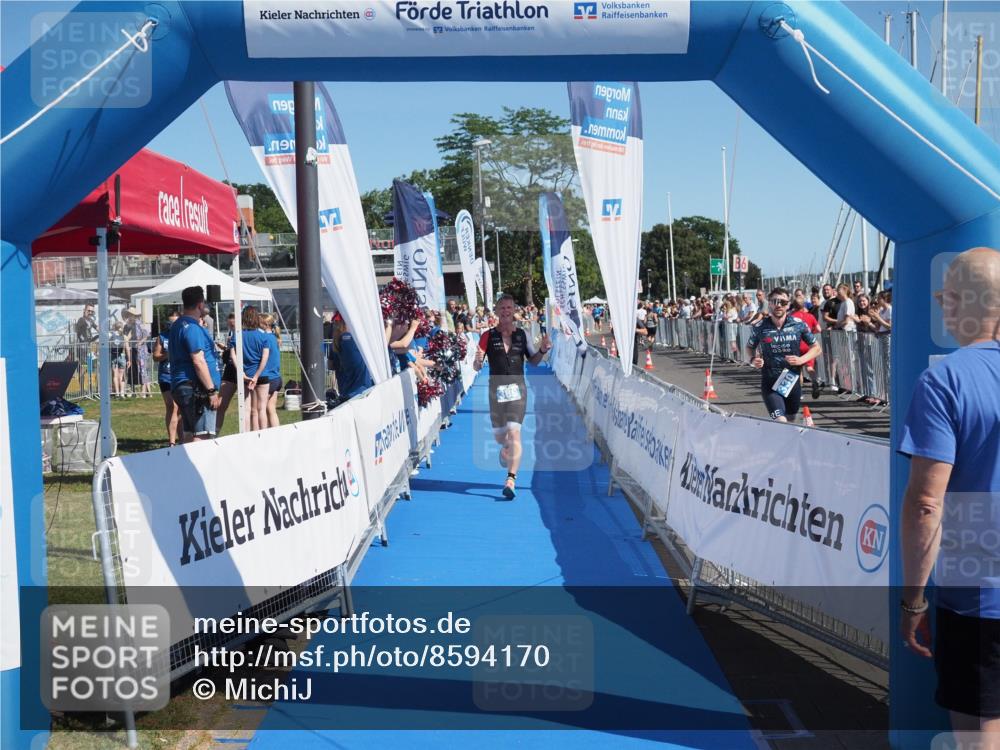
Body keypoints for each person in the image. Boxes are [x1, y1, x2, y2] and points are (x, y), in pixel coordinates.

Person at [898, 247, 1000, 748]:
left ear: (962, 302)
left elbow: (925, 504)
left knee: (982, 733)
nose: (943, 310)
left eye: (946, 300)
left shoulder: (946, 379)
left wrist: (913, 598)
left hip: (980, 594)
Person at [473, 294, 551, 500]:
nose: (506, 311)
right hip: (495, 392)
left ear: (514, 310)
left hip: (518, 391)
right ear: (497, 312)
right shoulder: (487, 335)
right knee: (501, 437)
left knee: (515, 433)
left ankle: (511, 479)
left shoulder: (522, 335)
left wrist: (542, 350)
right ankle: (505, 448)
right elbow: (476, 365)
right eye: (502, 308)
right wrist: (478, 361)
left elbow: (533, 361)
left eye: (509, 307)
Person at [746, 287, 821, 422]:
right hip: (770, 381)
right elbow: (749, 347)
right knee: (781, 421)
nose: (778, 305)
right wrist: (753, 359)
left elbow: (816, 348)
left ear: (788, 305)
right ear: (769, 303)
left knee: (791, 418)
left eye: (783, 302)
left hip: (791, 380)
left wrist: (801, 360)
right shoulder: (760, 327)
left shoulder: (799, 325)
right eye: (775, 301)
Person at [168, 286, 221, 442]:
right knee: (203, 435)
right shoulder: (191, 328)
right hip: (196, 388)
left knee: (190, 432)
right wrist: (211, 390)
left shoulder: (178, 325)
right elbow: (198, 360)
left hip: (184, 385)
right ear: (200, 304)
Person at [329, 313, 374, 402]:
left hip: (346, 389)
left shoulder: (337, 342)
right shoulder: (349, 340)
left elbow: (330, 366)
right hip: (358, 391)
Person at [151, 310, 181, 446]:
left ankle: (182, 437)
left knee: (181, 407)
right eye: (169, 322)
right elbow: (155, 356)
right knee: (172, 406)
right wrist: (166, 355)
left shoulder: (183, 334)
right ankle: (172, 441)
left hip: (180, 375)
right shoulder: (162, 337)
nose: (172, 325)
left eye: (174, 322)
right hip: (166, 376)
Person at [240, 306, 271, 432]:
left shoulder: (239, 335)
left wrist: (242, 373)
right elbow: (264, 358)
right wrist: (257, 376)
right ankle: (264, 436)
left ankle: (246, 436)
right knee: (261, 408)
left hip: (245, 375)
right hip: (262, 375)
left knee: (246, 410)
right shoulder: (264, 336)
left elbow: (233, 355)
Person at [790, 288, 822, 399]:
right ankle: (814, 382)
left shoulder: (791, 317)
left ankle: (800, 392)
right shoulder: (810, 316)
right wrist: (810, 332)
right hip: (809, 345)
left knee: (798, 369)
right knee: (809, 367)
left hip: (797, 345)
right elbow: (819, 329)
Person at [214, 313, 239, 435]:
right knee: (220, 405)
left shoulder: (243, 333)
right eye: (229, 325)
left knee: (250, 407)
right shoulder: (231, 334)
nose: (231, 327)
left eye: (233, 325)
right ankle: (215, 433)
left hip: (243, 368)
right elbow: (231, 351)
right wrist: (225, 348)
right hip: (230, 369)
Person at [260, 313, 283, 428]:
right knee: (271, 408)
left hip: (269, 378)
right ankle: (276, 433)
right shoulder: (274, 337)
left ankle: (263, 435)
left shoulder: (265, 338)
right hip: (277, 378)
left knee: (261, 409)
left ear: (264, 324)